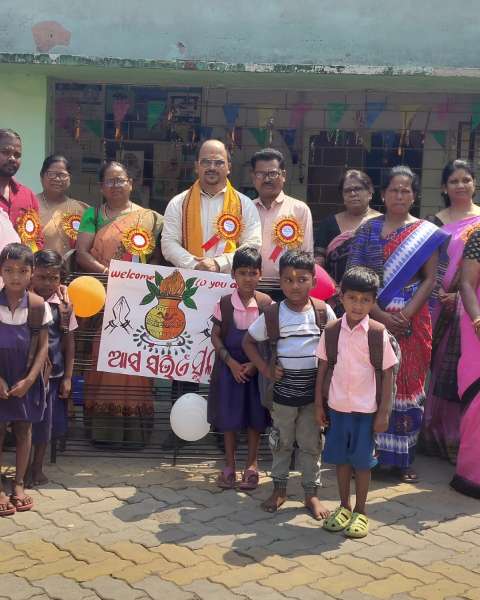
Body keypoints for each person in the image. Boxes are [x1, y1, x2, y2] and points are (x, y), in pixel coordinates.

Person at [346, 165, 449, 482]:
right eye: (394, 189)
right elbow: (354, 275)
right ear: (383, 193)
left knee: (408, 385)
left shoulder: (425, 233)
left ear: (414, 196)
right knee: (372, 384)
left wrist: (405, 315)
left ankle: (403, 459)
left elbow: (431, 278)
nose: (399, 195)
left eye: (406, 190)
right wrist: (379, 314)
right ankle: (370, 456)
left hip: (412, 321)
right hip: (371, 316)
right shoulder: (367, 230)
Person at [75, 161, 163, 446]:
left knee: (134, 360)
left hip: (139, 300)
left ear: (131, 184)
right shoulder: (93, 215)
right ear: (101, 187)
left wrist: (140, 278)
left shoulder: (150, 219)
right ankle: (103, 432)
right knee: (103, 358)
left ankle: (135, 434)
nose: (115, 186)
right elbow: (81, 253)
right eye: (109, 181)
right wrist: (109, 273)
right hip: (104, 298)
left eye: (120, 180)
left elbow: (160, 257)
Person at [243, 250, 336, 519]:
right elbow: (248, 342)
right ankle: (279, 490)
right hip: (282, 396)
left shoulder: (323, 311)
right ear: (280, 282)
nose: (295, 286)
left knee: (311, 444)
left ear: (313, 281)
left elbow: (335, 346)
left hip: (313, 397)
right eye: (288, 280)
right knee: (281, 443)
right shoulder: (273, 314)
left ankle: (311, 494)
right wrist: (265, 368)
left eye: (302, 279)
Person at [315, 267, 398, 538]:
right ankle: (344, 506)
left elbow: (388, 373)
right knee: (341, 460)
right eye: (352, 298)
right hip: (338, 408)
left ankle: (361, 511)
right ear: (341, 297)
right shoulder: (331, 331)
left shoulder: (377, 333)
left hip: (366, 411)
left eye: (365, 300)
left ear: (373, 302)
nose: (358, 305)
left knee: (362, 463)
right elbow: (323, 368)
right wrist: (319, 405)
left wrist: (384, 412)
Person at [422, 160, 480, 463]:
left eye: (466, 179)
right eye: (454, 181)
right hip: (438, 306)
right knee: (442, 372)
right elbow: (427, 268)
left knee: (467, 372)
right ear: (444, 187)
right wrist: (440, 297)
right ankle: (439, 436)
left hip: (471, 308)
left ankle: (465, 438)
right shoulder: (434, 222)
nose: (461, 185)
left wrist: (460, 296)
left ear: (474, 183)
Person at [208, 247, 272, 490]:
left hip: (256, 372)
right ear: (233, 274)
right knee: (229, 417)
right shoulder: (224, 304)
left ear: (260, 274)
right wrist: (231, 363)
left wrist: (255, 365)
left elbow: (271, 341)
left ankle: (252, 464)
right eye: (243, 273)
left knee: (255, 417)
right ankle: (229, 465)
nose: (248, 278)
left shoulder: (267, 304)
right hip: (229, 370)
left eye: (253, 273)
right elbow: (215, 336)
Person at [0, 243, 51, 516]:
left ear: (32, 272)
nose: (15, 277)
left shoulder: (38, 306)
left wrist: (30, 380)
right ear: (1, 272)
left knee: (23, 429)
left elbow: (43, 347)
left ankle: (18, 483)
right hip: (1, 377)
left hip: (25, 376)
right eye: (9, 270)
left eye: (22, 271)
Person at [161, 139, 261, 273]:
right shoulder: (179, 203)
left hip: (230, 281)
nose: (212, 167)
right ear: (196, 166)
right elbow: (168, 243)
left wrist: (220, 263)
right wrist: (194, 264)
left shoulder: (245, 204)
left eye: (219, 162)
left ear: (229, 167)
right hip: (190, 279)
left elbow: (253, 244)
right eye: (206, 162)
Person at [28, 250, 77, 486]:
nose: (47, 283)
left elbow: (69, 341)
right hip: (23, 373)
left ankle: (36, 468)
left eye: (53, 278)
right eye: (41, 277)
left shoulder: (64, 306)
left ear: (61, 279)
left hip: (52, 375)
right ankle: (21, 469)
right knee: (22, 424)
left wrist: (68, 377)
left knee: (45, 426)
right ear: (31, 275)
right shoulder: (23, 300)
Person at [315, 170, 381, 314]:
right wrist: (335, 288)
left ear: (370, 192)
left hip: (375, 300)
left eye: (358, 189)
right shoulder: (328, 224)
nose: (353, 193)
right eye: (347, 191)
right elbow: (318, 263)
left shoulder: (383, 223)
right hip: (337, 298)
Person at [251, 148, 313, 281]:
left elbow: (306, 253)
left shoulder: (299, 209)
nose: (267, 179)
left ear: (283, 175)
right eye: (260, 174)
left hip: (287, 286)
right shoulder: (245, 208)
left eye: (273, 173)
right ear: (253, 177)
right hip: (249, 284)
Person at [450, 228, 480, 498]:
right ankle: (472, 475)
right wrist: (478, 320)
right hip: (477, 323)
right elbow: (467, 284)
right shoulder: (479, 237)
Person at [37, 154, 88, 258]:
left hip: (69, 267)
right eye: (51, 174)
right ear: (42, 176)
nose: (57, 179)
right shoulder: (30, 203)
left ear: (69, 179)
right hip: (37, 266)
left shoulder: (81, 209)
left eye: (63, 175)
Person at [0, 129, 44, 251]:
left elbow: (37, 239)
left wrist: (30, 257)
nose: (12, 158)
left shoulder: (27, 195)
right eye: (5, 152)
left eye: (17, 155)